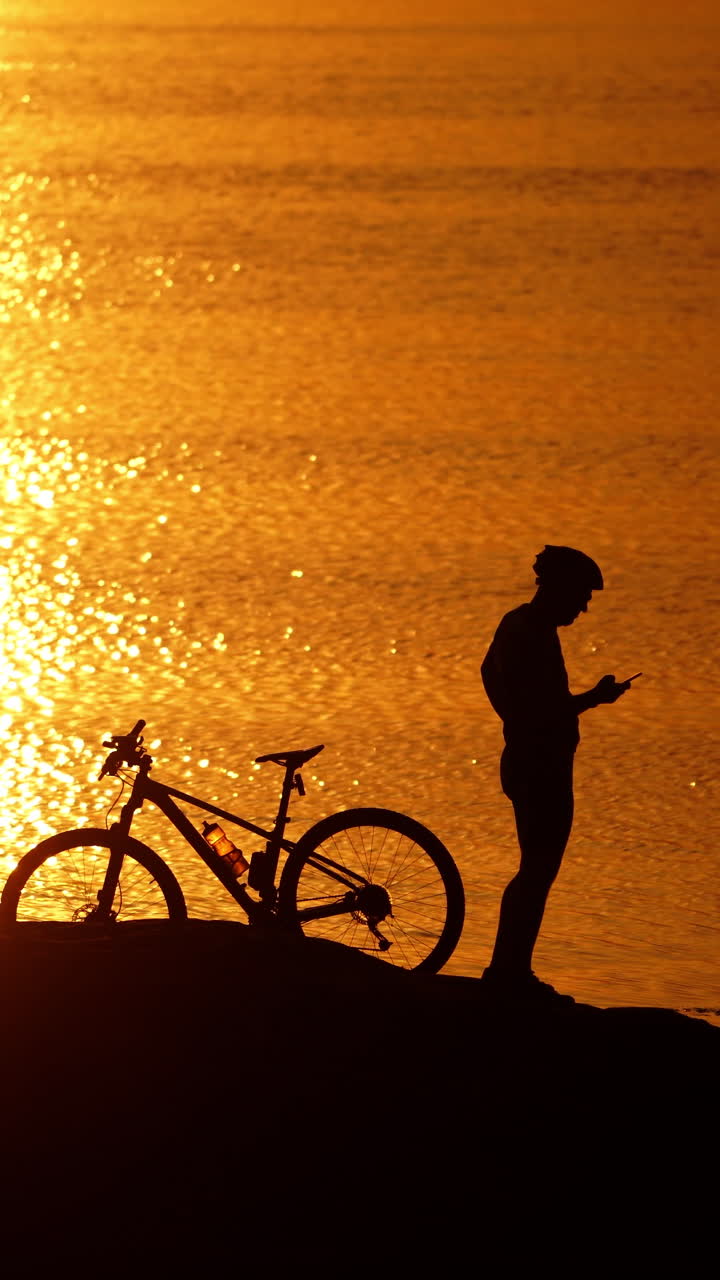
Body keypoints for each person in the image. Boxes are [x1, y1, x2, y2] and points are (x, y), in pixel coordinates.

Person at [480, 545, 634, 1003]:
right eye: (582, 595)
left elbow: (489, 673)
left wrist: (510, 717)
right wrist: (595, 698)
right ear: (560, 589)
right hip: (539, 766)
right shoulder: (532, 632)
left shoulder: (520, 624)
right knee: (537, 869)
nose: (584, 606)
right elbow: (544, 708)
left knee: (535, 868)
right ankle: (508, 971)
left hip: (529, 759)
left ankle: (509, 968)